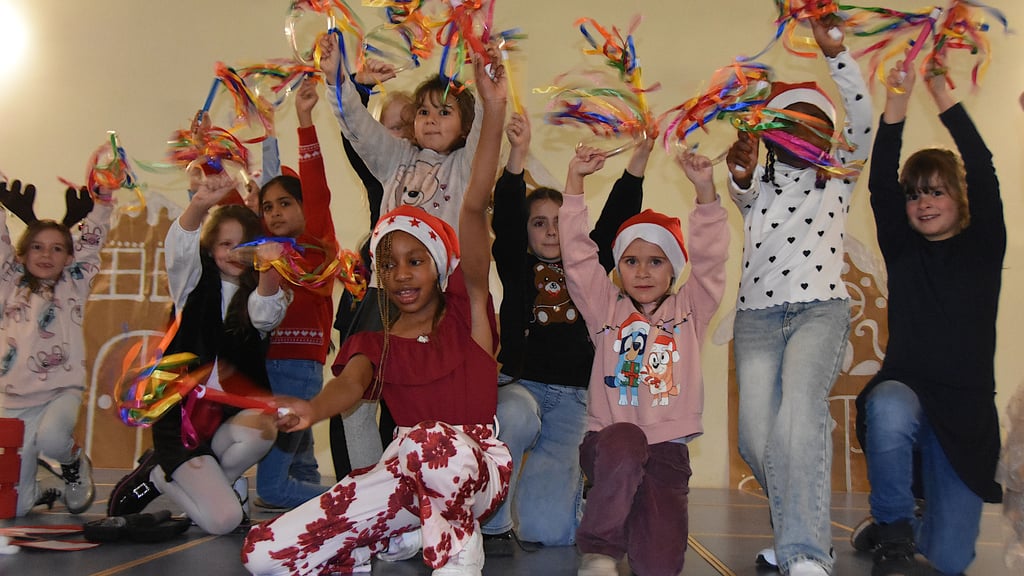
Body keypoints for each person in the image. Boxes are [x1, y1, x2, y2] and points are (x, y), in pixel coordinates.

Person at [242, 48, 508, 576]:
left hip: (472, 468)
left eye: (415, 261)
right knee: (263, 554)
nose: (404, 273)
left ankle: (456, 555)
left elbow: (474, 203)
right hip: (407, 473)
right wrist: (312, 410)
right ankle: (402, 528)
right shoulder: (379, 333)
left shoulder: (467, 306)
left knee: (430, 442)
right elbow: (349, 383)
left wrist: (494, 102)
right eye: (391, 263)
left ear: (439, 263)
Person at [723, 17, 873, 576]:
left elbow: (861, 118)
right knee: (756, 440)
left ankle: (806, 552)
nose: (799, 133)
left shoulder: (838, 179)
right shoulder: (759, 187)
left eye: (813, 125)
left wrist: (837, 54)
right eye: (788, 124)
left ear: (829, 137)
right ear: (769, 134)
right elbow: (740, 188)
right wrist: (739, 174)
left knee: (797, 422)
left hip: (818, 312)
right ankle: (797, 532)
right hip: (758, 322)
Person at [849, 60, 1004, 576]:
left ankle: (910, 517)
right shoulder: (903, 249)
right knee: (888, 407)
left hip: (965, 416)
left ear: (960, 200)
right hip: (908, 391)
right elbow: (880, 184)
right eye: (915, 194)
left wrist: (941, 96)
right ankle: (893, 531)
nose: (922, 202)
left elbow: (981, 166)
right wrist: (897, 101)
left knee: (949, 563)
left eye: (936, 191)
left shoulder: (983, 247)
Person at [481, 111, 651, 549]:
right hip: (523, 387)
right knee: (511, 416)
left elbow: (617, 217)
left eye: (559, 220)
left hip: (574, 398)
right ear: (527, 231)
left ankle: (569, 496)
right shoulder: (518, 264)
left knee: (550, 534)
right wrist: (517, 154)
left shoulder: (588, 267)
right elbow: (505, 215)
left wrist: (639, 159)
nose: (551, 230)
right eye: (539, 222)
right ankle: (492, 521)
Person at [561, 145, 729, 576]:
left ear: (673, 271)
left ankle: (633, 513)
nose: (642, 271)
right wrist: (575, 184)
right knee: (625, 442)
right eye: (631, 262)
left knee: (660, 566)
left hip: (668, 451)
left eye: (656, 262)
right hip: (611, 444)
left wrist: (706, 192)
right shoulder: (605, 310)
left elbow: (711, 261)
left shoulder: (691, 310)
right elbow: (579, 259)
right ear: (618, 270)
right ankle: (599, 549)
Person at [107, 170, 288, 535]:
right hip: (185, 421)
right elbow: (178, 252)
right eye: (224, 244)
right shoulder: (191, 283)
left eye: (244, 245)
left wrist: (270, 267)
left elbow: (266, 315)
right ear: (210, 248)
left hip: (230, 416)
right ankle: (161, 474)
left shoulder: (259, 290)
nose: (234, 253)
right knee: (225, 522)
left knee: (263, 431)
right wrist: (200, 202)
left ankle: (188, 480)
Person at [251, 76, 340, 510]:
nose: (275, 212)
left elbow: (314, 180)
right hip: (271, 368)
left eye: (286, 203)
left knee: (271, 489)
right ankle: (323, 518)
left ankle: (346, 501)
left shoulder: (317, 240)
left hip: (299, 369)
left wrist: (303, 119)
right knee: (300, 471)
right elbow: (260, 185)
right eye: (268, 207)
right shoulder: (269, 251)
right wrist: (263, 131)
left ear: (307, 208)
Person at [0, 180, 109, 516]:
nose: (46, 255)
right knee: (15, 510)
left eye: (57, 248)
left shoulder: (73, 283)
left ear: (69, 255)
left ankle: (74, 463)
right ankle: (35, 488)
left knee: (51, 439)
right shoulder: (9, 279)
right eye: (37, 247)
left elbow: (92, 241)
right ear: (21, 252)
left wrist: (103, 202)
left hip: (61, 390)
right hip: (13, 399)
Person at [330, 68, 415, 483]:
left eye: (403, 126)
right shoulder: (381, 168)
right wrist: (357, 90)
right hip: (371, 293)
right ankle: (352, 486)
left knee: (399, 395)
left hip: (412, 297)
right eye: (386, 127)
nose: (394, 135)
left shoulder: (429, 172)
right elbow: (355, 140)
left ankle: (391, 486)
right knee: (355, 390)